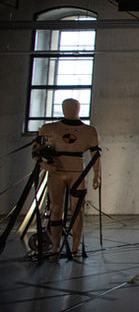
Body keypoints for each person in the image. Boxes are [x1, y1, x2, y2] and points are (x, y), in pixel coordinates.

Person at [33, 99, 100, 259]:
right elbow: (35, 152)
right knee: (56, 208)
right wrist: (45, 165)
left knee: (78, 210)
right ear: (62, 108)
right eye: (67, 107)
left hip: (77, 172)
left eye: (73, 107)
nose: (70, 109)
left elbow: (95, 154)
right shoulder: (49, 129)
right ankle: (55, 246)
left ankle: (76, 247)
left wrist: (97, 174)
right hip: (56, 171)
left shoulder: (89, 131)